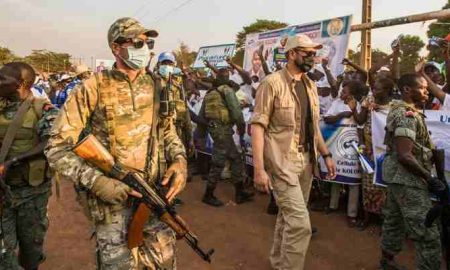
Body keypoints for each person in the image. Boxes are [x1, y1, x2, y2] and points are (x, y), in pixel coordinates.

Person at [45, 17, 187, 269]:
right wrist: (98, 182)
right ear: (115, 47)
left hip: (154, 197)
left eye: (147, 41)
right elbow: (56, 146)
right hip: (112, 207)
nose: (143, 47)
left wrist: (179, 161)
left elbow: (168, 132)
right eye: (135, 42)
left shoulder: (159, 86)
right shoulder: (93, 87)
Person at [251, 34, 336, 270]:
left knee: (287, 217)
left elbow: (313, 125)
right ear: (291, 54)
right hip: (281, 162)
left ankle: (278, 262)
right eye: (307, 53)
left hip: (307, 161)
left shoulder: (310, 85)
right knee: (300, 225)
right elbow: (257, 127)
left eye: (314, 53)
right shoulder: (272, 83)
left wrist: (326, 154)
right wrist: (259, 170)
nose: (312, 57)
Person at [380, 73, 443, 270]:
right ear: (407, 89)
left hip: (398, 177)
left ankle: (387, 262)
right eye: (423, 88)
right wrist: (429, 178)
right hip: (408, 179)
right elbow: (405, 155)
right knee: (427, 232)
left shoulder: (405, 111)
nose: (426, 92)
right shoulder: (406, 115)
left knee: (394, 221)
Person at [0, 62, 59, 270]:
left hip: (31, 193)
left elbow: (50, 143)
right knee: (3, 252)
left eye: (2, 79)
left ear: (20, 83)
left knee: (31, 249)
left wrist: (13, 161)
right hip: (3, 193)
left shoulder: (43, 108)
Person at [198, 67, 254, 207]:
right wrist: (241, 129)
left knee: (235, 158)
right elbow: (236, 113)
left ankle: (240, 192)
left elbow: (201, 115)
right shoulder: (227, 91)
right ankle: (208, 194)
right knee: (219, 162)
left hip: (216, 130)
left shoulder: (210, 93)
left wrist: (202, 134)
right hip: (223, 130)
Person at [354, 77, 394, 229]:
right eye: (374, 88)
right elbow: (360, 121)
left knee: (385, 186)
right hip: (369, 149)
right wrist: (361, 142)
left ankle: (384, 219)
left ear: (388, 91)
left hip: (386, 152)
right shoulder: (368, 100)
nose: (374, 91)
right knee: (368, 184)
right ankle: (367, 217)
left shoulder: (395, 106)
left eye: (378, 89)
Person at [323, 81, 363, 227]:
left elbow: (361, 122)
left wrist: (353, 111)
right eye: (342, 91)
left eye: (344, 91)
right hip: (336, 145)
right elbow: (327, 118)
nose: (341, 94)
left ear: (352, 93)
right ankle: (333, 205)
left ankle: (351, 213)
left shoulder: (358, 105)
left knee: (353, 179)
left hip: (352, 145)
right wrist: (341, 115)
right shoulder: (336, 103)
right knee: (336, 173)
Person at [157, 52, 195, 168]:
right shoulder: (154, 80)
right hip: (160, 123)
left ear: (174, 65)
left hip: (178, 122)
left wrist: (185, 72)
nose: (167, 65)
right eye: (164, 63)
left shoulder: (178, 81)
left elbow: (189, 87)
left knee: (179, 149)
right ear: (159, 64)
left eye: (170, 63)